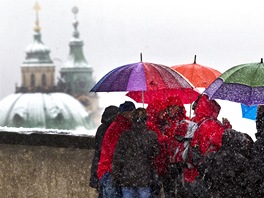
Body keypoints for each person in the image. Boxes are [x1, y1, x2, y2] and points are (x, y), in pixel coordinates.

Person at [177, 94, 232, 197]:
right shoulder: (211, 125)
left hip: (189, 170)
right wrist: (227, 128)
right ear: (211, 106)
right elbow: (224, 142)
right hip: (205, 171)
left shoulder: (193, 121)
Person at [112, 107, 159, 198]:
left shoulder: (125, 135)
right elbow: (155, 153)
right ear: (145, 119)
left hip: (127, 177)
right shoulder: (151, 135)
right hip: (144, 177)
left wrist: (116, 176)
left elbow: (118, 157)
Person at [97, 101, 136, 198]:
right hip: (110, 171)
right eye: (132, 112)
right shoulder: (119, 127)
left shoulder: (121, 125)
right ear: (127, 113)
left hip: (111, 170)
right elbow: (115, 151)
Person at [89, 105, 119, 198]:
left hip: (101, 167)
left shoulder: (101, 129)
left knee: (103, 192)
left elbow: (98, 151)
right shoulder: (110, 129)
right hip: (107, 168)